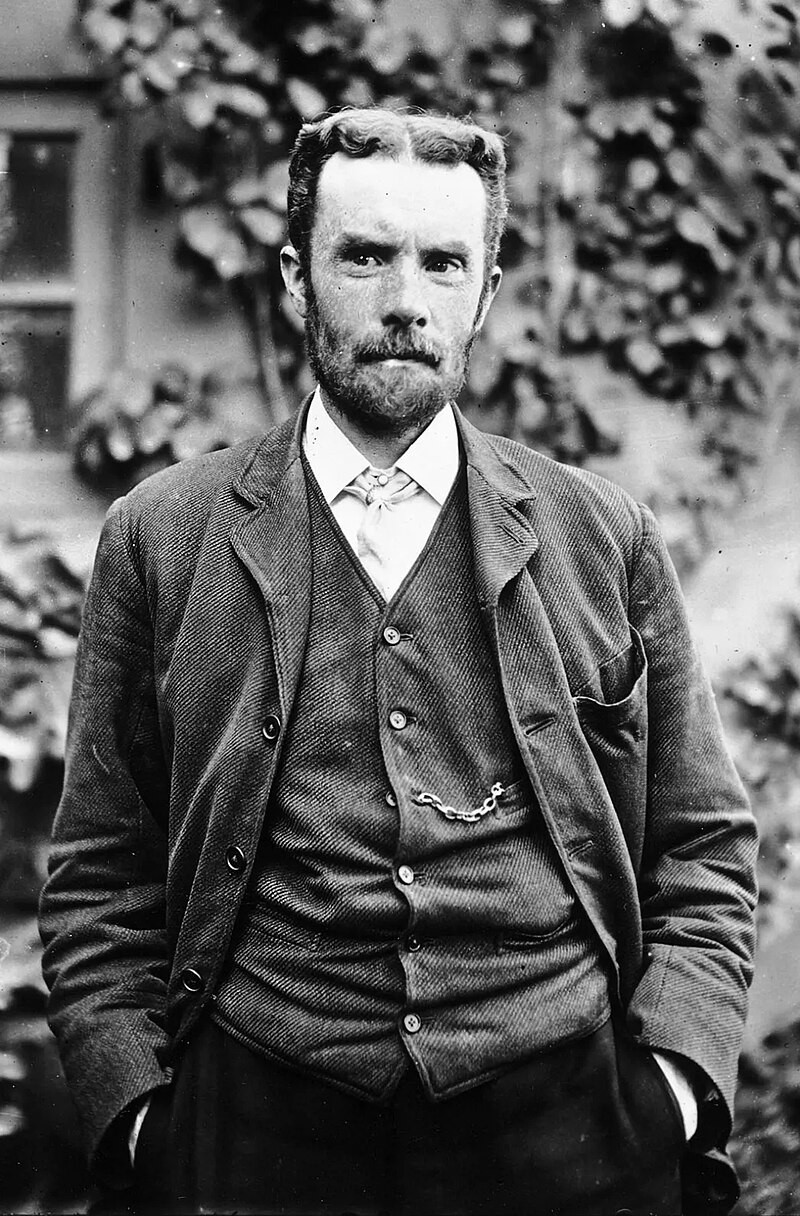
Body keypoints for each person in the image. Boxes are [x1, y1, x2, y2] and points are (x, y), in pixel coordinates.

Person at [39, 107, 758, 1216]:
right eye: (364, 256)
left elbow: (701, 845)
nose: (405, 301)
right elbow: (99, 866)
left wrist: (666, 1085)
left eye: (441, 262)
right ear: (295, 276)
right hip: (256, 1134)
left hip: (565, 1130)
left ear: (486, 290)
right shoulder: (163, 535)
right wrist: (140, 1118)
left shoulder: (599, 536)